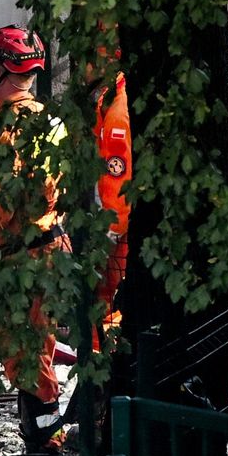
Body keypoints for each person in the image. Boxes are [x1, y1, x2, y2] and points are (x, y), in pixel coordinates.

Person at [0, 25, 69, 452]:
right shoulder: (50, 117)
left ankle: (45, 449)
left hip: (24, 258)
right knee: (38, 353)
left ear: (3, 70)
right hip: (53, 248)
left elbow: (1, 201)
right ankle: (47, 439)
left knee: (25, 359)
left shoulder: (8, 125)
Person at [91, 49, 133, 340]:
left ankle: (107, 368)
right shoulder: (112, 98)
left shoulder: (118, 111)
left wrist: (111, 230)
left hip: (119, 228)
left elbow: (118, 177)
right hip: (118, 220)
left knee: (109, 303)